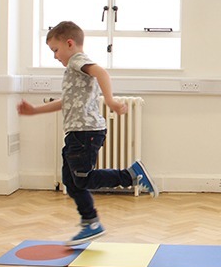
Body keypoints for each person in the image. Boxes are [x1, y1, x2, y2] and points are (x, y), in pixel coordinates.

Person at [17, 21, 159, 246]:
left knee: (82, 179)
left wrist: (111, 100)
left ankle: (132, 175)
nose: (55, 56)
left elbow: (101, 72)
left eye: (55, 50)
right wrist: (34, 111)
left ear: (70, 44)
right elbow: (66, 102)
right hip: (77, 132)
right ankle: (90, 222)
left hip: (85, 132)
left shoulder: (77, 61)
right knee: (71, 181)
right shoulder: (73, 69)